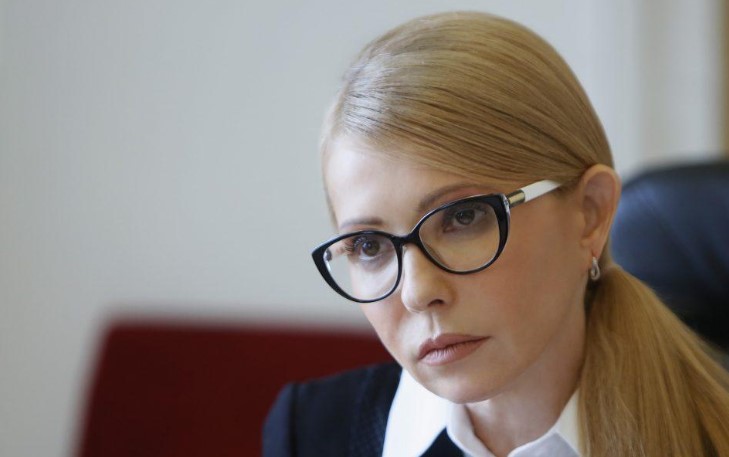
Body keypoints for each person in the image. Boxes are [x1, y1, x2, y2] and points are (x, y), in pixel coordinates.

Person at [263, 11, 729, 457]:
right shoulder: (310, 432)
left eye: (463, 217)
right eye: (370, 246)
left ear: (590, 213)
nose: (417, 293)